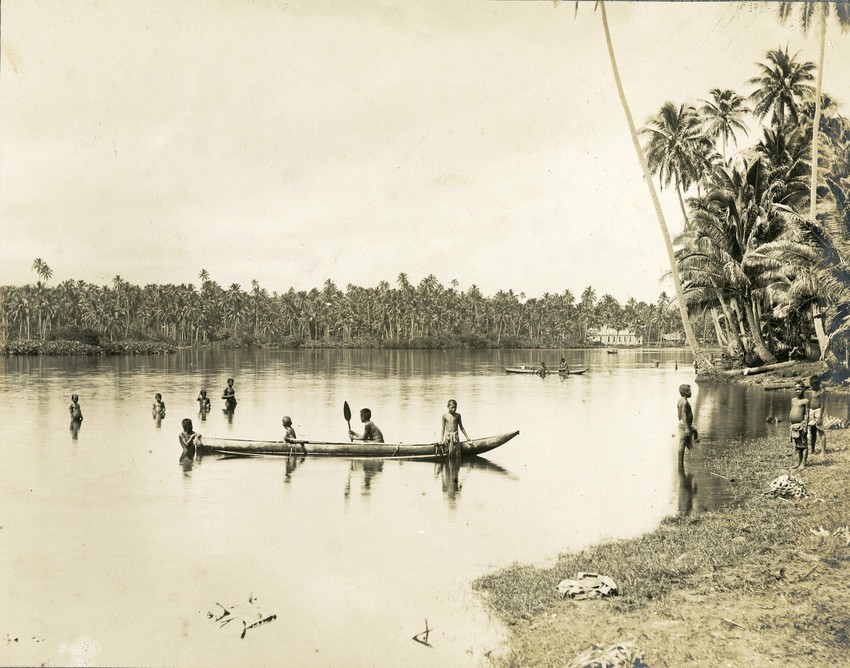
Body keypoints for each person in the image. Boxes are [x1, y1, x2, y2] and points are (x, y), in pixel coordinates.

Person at [789, 381, 810, 470]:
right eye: (796, 389)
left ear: (804, 390)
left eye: (799, 389)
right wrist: (790, 424)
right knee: (797, 445)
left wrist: (805, 426)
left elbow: (807, 414)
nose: (797, 391)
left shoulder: (806, 401)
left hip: (801, 425)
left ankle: (803, 463)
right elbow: (792, 410)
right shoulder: (793, 400)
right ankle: (798, 462)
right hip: (794, 425)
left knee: (803, 445)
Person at [677, 384, 698, 465]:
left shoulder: (680, 400)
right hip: (685, 424)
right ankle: (680, 463)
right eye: (690, 391)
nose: (691, 393)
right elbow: (684, 414)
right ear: (686, 392)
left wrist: (684, 423)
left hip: (683, 423)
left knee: (695, 429)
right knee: (682, 444)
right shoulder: (685, 402)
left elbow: (679, 415)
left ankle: (695, 438)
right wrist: (686, 428)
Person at [808, 376, 827, 454]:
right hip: (811, 411)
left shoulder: (821, 393)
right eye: (811, 384)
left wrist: (820, 417)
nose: (812, 386)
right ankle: (812, 449)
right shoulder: (811, 391)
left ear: (818, 384)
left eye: (813, 385)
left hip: (818, 411)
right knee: (813, 432)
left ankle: (823, 450)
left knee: (821, 431)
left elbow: (822, 405)